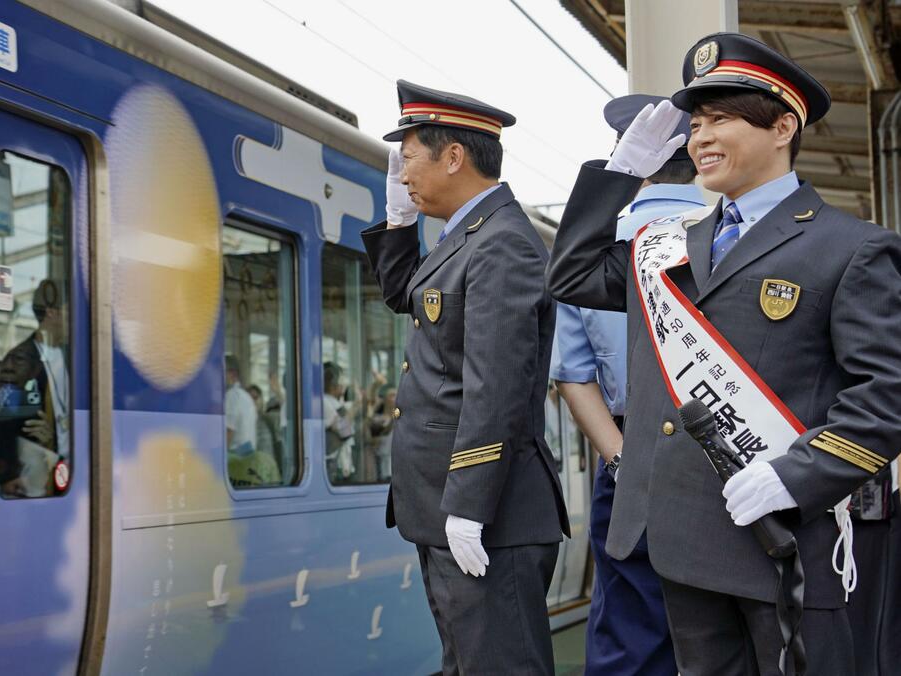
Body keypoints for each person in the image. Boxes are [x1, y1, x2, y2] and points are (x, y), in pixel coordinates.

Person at [547, 32, 901, 674]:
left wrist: (796, 476)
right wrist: (617, 176)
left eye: (723, 119)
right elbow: (569, 275)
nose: (701, 137)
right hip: (682, 540)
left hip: (784, 541)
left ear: (783, 126)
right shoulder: (671, 244)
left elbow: (885, 397)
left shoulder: (851, 248)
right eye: (697, 122)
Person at [361, 80, 569, 675]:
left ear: (453, 156)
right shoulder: (472, 238)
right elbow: (411, 295)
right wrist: (399, 225)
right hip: (452, 511)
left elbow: (494, 387)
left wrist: (469, 506)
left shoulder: (502, 245)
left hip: (486, 517)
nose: (403, 177)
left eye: (410, 160)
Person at [551, 94, 701, 676]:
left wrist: (620, 460)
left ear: (627, 157)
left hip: (630, 457)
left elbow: (573, 375)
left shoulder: (592, 251)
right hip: (731, 463)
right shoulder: (735, 232)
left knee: (630, 633)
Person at [0, 279, 69, 497]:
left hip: (69, 471)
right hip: (34, 477)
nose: (73, 321)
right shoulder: (18, 360)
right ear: (52, 313)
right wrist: (6, 477)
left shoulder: (73, 357)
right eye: (68, 312)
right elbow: (5, 423)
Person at [225, 355, 278, 487]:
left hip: (235, 464)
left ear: (231, 373)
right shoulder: (244, 397)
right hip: (247, 464)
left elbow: (228, 434)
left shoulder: (231, 396)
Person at [323, 361, 356, 482]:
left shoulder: (335, 402)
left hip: (342, 462)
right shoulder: (324, 402)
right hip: (333, 462)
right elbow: (344, 430)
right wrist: (356, 405)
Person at [368, 384, 396, 481]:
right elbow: (375, 439)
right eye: (392, 395)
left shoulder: (403, 419)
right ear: (384, 399)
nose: (395, 398)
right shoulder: (377, 419)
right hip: (383, 463)